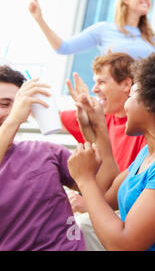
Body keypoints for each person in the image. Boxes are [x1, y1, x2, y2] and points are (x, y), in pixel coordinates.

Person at [67, 52, 155, 251]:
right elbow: (106, 195)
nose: (126, 104)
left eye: (131, 96)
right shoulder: (148, 153)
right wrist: (97, 132)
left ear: (151, 102)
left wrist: (85, 180)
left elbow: (124, 245)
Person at [0, 65, 116, 250]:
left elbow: (102, 186)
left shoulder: (46, 151)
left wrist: (95, 131)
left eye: (18, 104)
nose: (14, 111)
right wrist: (13, 119)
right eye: (4, 104)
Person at [61, 52, 147, 250]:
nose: (94, 89)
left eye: (101, 82)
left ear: (127, 84)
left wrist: (89, 201)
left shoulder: (146, 128)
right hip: (104, 204)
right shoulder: (100, 117)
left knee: (81, 226)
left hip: (124, 211)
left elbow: (116, 194)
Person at [28, 0, 155, 60]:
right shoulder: (104, 29)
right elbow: (64, 48)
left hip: (143, 101)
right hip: (113, 101)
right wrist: (40, 20)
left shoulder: (153, 38)